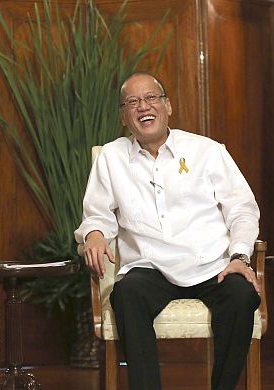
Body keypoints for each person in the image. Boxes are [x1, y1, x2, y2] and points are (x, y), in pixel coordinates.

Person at [75, 72, 260, 390]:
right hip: (151, 269)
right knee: (126, 293)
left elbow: (242, 209)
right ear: (124, 116)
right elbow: (97, 216)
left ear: (167, 106)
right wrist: (93, 234)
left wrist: (240, 255)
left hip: (210, 265)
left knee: (241, 295)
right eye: (132, 101)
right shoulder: (111, 158)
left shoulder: (207, 151)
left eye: (151, 97)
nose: (142, 106)